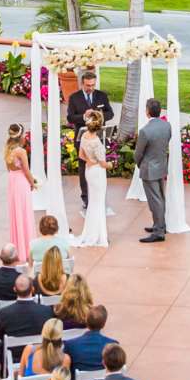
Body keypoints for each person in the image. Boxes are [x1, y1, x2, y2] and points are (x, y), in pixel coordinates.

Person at [67, 71, 114, 206]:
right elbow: (70, 117)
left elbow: (110, 113)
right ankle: (86, 197)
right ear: (82, 83)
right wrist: (83, 116)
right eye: (88, 85)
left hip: (99, 137)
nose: (90, 88)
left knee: (99, 164)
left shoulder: (102, 96)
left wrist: (99, 115)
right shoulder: (74, 98)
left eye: (93, 85)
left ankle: (99, 194)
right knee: (83, 167)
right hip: (82, 139)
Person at [135, 99, 173, 242]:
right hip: (161, 166)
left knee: (155, 200)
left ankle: (158, 231)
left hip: (149, 169)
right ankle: (160, 224)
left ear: (147, 111)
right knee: (160, 198)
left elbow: (138, 153)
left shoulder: (145, 131)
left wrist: (141, 164)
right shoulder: (167, 126)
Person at [76, 109, 111, 248]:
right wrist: (111, 164)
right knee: (98, 202)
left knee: (93, 202)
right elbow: (103, 163)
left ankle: (91, 231)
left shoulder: (84, 135)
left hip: (89, 170)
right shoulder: (96, 142)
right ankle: (99, 235)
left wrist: (89, 161)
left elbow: (81, 155)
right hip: (97, 172)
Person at [4, 124, 38, 257]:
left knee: (16, 211)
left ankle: (17, 245)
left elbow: (9, 168)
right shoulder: (21, 151)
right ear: (20, 136)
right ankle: (26, 248)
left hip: (12, 180)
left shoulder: (7, 148)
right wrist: (32, 183)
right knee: (24, 211)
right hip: (20, 181)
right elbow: (26, 170)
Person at [0, 275, 55, 343]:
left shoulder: (4, 313)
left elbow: (0, 337)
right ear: (33, 289)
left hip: (14, 352)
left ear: (14, 289)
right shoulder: (46, 310)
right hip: (38, 350)